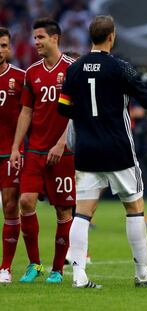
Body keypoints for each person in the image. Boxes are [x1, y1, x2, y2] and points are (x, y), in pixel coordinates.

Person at [57, 15, 147, 289]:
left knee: (82, 213)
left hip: (87, 150)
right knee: (134, 209)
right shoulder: (120, 68)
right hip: (118, 149)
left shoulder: (75, 69)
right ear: (111, 37)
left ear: (90, 36)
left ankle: (80, 277)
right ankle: (143, 274)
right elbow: (145, 97)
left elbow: (63, 108)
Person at [10, 18, 76, 284]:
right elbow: (26, 111)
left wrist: (62, 142)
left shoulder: (72, 69)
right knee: (25, 201)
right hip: (35, 150)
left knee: (63, 211)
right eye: (35, 38)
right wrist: (17, 147)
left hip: (63, 151)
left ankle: (58, 269)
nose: (35, 42)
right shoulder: (31, 72)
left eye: (40, 37)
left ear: (55, 38)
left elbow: (77, 111)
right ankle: (34, 264)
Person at [0, 27, 25, 284]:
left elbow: (29, 114)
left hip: (9, 153)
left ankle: (5, 268)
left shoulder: (19, 78)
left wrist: (19, 148)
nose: (0, 50)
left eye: (3, 45)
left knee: (10, 206)